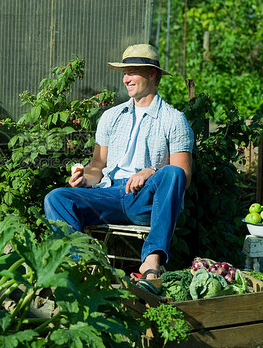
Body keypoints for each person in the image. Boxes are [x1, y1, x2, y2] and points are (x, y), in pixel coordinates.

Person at [44, 44, 194, 279]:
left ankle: (151, 260)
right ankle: (79, 267)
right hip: (109, 193)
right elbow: (97, 166)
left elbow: (183, 177)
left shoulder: (174, 120)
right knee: (57, 198)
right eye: (125, 73)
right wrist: (84, 179)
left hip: (145, 199)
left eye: (132, 72)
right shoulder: (111, 117)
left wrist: (151, 172)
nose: (126, 79)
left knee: (172, 173)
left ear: (152, 74)